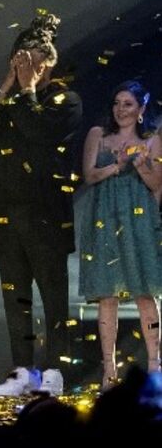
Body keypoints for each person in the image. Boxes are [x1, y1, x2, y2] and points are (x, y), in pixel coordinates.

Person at [0, 13, 82, 397]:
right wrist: (6, 87)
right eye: (19, 59)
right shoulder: (12, 97)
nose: (26, 66)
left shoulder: (66, 101)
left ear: (49, 61)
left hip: (47, 214)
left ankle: (55, 367)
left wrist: (26, 90)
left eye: (33, 59)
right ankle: (21, 369)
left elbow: (38, 130)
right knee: (14, 294)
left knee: (53, 293)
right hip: (8, 213)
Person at [77, 80, 162, 389]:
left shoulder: (153, 140)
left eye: (128, 104)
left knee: (144, 292)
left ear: (140, 109)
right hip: (104, 218)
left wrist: (140, 166)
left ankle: (154, 365)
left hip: (138, 219)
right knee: (107, 293)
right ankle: (108, 369)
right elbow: (89, 176)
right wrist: (117, 165)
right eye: (117, 103)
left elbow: (156, 185)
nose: (121, 109)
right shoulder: (99, 136)